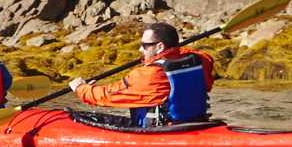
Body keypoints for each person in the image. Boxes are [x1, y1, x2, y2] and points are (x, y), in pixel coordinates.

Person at [69, 20, 212, 126]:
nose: (140, 50)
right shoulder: (200, 61)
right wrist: (172, 50)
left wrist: (81, 88)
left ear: (160, 46)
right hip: (197, 123)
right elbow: (198, 55)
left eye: (145, 45)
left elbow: (107, 95)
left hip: (162, 131)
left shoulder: (149, 75)